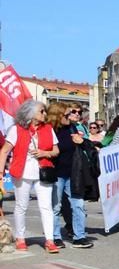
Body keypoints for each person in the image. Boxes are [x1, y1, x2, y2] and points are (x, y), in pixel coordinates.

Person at [0, 100, 60, 253]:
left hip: (44, 170)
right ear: (30, 113)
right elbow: (4, 151)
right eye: (42, 111)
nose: (45, 114)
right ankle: (20, 238)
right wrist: (1, 173)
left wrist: (45, 153)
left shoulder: (48, 128)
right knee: (21, 206)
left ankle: (49, 240)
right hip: (22, 171)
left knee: (46, 207)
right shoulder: (16, 129)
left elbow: (56, 150)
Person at [48, 102, 95, 248]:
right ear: (58, 115)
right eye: (68, 114)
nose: (71, 116)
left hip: (73, 173)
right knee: (56, 207)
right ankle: (55, 237)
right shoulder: (50, 130)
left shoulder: (72, 127)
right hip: (57, 173)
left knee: (78, 205)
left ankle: (79, 236)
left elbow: (80, 145)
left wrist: (81, 142)